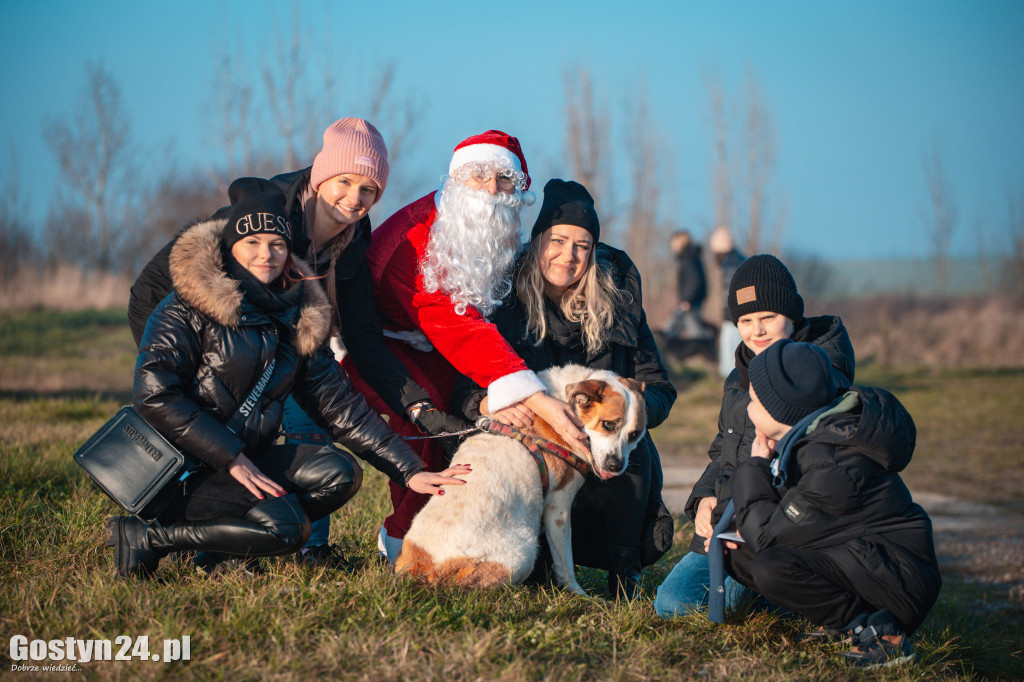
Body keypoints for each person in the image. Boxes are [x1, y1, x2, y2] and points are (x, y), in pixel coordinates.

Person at [127, 118, 462, 567]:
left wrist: (418, 420)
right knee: (226, 419)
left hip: (268, 338)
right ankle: (200, 530)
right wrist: (188, 353)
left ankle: (260, 537)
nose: (355, 198)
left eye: (369, 189)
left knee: (310, 417)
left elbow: (362, 339)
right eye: (344, 181)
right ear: (322, 176)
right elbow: (173, 279)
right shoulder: (264, 215)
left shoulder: (350, 237)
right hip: (191, 318)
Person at [354, 131, 590, 563]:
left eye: (503, 180)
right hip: (381, 346)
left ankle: (459, 534)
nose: (490, 190)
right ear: (456, 177)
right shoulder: (413, 239)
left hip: (437, 344)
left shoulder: (494, 229)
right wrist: (534, 396)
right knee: (431, 433)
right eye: (478, 175)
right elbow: (451, 321)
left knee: (473, 421)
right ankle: (403, 545)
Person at [451, 179, 677, 598]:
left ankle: (624, 570)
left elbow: (660, 384)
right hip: (533, 449)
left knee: (633, 449)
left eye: (582, 245)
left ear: (594, 252)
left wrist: (635, 410)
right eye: (557, 240)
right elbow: (462, 384)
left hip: (601, 447)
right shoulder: (504, 296)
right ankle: (537, 561)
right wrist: (485, 402)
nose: (568, 256)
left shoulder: (619, 297)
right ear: (538, 241)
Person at [653, 254, 856, 618]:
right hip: (729, 524)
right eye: (746, 320)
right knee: (671, 604)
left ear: (792, 317)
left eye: (768, 318)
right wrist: (703, 498)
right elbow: (724, 451)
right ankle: (777, 597)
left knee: (732, 604)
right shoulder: (738, 376)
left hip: (784, 529)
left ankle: (811, 590)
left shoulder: (819, 374)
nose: (756, 331)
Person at [727, 339, 940, 668]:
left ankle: (880, 632)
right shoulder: (811, 438)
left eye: (753, 400)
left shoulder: (833, 464)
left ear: (779, 411)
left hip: (897, 580)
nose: (747, 408)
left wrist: (754, 468)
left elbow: (770, 535)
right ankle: (839, 622)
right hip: (863, 558)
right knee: (737, 552)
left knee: (771, 566)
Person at [707, 225, 745, 378]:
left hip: (733, 315)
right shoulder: (737, 260)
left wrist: (728, 314)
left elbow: (731, 293)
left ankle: (730, 380)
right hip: (737, 314)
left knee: (730, 348)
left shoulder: (731, 265)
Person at [664, 230, 709, 343]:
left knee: (691, 333)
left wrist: (686, 300)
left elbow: (695, 280)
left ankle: (705, 352)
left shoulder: (688, 258)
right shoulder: (692, 257)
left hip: (689, 303)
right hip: (692, 302)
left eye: (674, 242)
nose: (672, 246)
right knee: (689, 331)